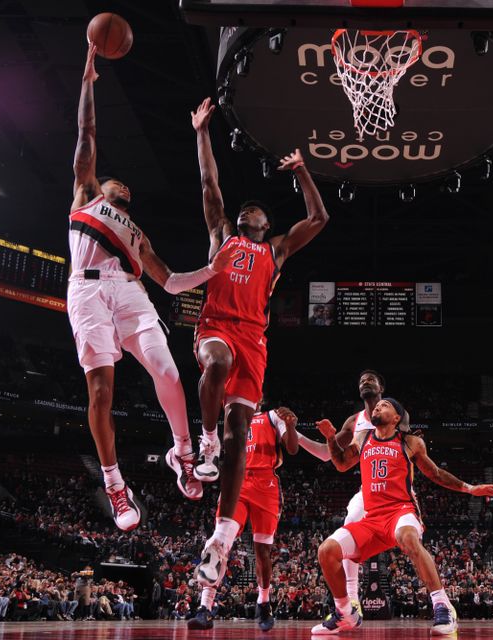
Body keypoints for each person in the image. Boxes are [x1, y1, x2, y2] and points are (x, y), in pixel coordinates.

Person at [68, 45, 234, 530]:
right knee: (101, 394)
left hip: (131, 294)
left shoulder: (138, 237)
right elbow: (87, 133)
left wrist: (213, 268)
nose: (124, 190)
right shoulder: (84, 195)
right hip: (87, 292)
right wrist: (87, 82)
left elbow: (172, 283)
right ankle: (116, 484)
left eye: (128, 191)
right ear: (104, 186)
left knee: (168, 371)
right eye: (115, 184)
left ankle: (183, 452)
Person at [190, 97, 329, 578]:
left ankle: (220, 542)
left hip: (255, 340)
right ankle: (203, 442)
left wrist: (303, 170)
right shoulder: (222, 235)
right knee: (215, 366)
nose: (248, 210)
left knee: (239, 439)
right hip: (217, 327)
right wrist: (202, 133)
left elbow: (319, 219)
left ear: (266, 225)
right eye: (245, 208)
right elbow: (210, 185)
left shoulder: (275, 250)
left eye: (257, 211)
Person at [311, 398, 493, 635]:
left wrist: (470, 488)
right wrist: (330, 437)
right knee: (326, 551)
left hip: (401, 511)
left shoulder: (410, 442)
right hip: (371, 518)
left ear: (397, 418)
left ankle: (442, 606)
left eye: (384, 406)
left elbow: (436, 473)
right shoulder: (363, 437)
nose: (378, 407)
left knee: (408, 538)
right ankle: (345, 613)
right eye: (377, 406)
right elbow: (340, 464)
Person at [189, 406, 299, 631]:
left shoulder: (272, 416)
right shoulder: (232, 416)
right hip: (237, 481)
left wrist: (289, 425)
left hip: (265, 485)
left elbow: (292, 448)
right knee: (221, 542)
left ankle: (264, 602)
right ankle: (205, 608)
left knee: (263, 551)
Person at [295, 370, 385, 617]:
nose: (365, 382)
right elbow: (328, 454)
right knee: (350, 525)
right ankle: (352, 601)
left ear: (381, 388)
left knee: (411, 540)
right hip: (369, 490)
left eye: (371, 379)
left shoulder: (394, 412)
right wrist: (297, 436)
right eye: (361, 380)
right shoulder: (353, 422)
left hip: (396, 489)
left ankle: (440, 603)